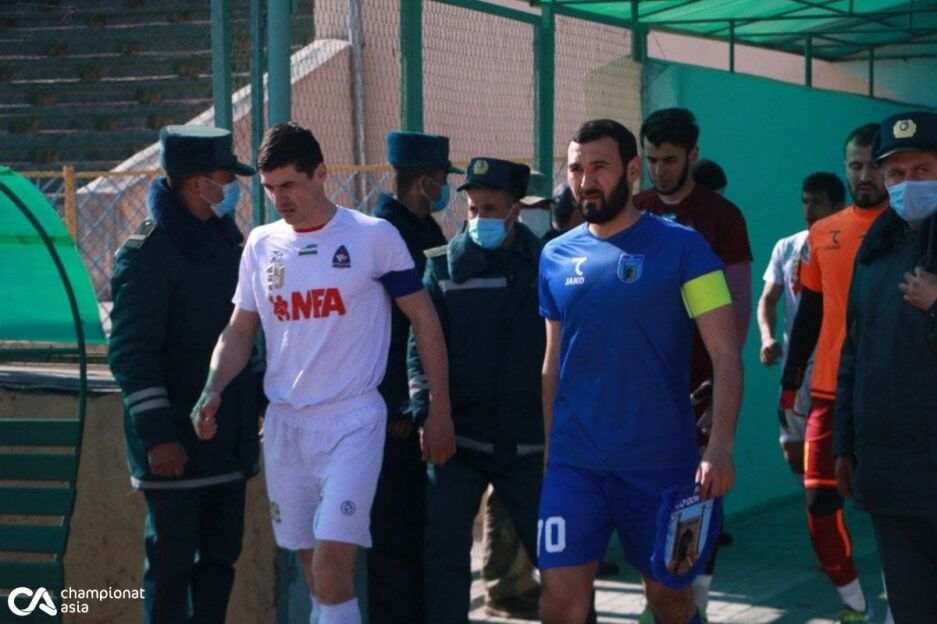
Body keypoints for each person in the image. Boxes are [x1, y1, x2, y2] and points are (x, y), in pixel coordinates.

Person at [191, 122, 456, 624]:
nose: (280, 199)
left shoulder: (372, 236)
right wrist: (213, 388)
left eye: (289, 184)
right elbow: (241, 330)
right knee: (314, 571)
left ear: (320, 174)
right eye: (270, 188)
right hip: (286, 426)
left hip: (352, 422)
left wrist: (438, 407)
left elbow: (424, 318)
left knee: (333, 569)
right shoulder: (261, 244)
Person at [537, 119, 742, 624]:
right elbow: (552, 363)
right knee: (559, 603)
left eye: (599, 167)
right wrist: (550, 453)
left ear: (632, 170)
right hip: (575, 465)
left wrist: (718, 447)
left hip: (660, 466)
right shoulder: (554, 256)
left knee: (670, 603)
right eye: (576, 169)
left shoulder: (686, 249)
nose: (586, 181)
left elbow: (725, 353)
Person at [108, 125, 260, 623]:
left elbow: (244, 335)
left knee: (218, 564)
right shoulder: (148, 254)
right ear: (198, 184)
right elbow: (131, 353)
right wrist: (158, 437)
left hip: (226, 443)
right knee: (172, 571)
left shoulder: (228, 242)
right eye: (226, 178)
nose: (233, 188)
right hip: (175, 448)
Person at [408, 157, 546, 624]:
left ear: (514, 210)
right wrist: (430, 414)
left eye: (491, 209)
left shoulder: (546, 266)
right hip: (458, 443)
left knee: (560, 558)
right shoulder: (443, 268)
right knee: (444, 556)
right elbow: (420, 351)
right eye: (472, 209)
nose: (479, 218)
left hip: (528, 443)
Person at [633, 108, 752, 617]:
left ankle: (694, 605)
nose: (659, 170)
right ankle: (661, 600)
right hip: (641, 394)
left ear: (692, 156)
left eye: (669, 160)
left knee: (699, 499)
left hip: (700, 391)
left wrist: (718, 391)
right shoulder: (633, 210)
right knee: (642, 500)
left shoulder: (722, 217)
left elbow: (737, 313)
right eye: (651, 159)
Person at [782, 123, 888, 623]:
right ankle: (855, 605)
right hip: (827, 393)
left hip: (892, 393)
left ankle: (904, 603)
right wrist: (790, 380)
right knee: (819, 505)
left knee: (898, 511)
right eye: (855, 165)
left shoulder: (916, 228)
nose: (864, 175)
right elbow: (810, 311)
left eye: (874, 165)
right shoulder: (823, 233)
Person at [835, 111, 937, 623]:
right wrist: (844, 445)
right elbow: (853, 352)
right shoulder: (874, 251)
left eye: (923, 170)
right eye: (897, 173)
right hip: (891, 475)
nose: (908, 183)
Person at [367, 130, 461, 624]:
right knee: (395, 535)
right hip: (396, 414)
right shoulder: (385, 233)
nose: (445, 188)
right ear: (425, 181)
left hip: (425, 405)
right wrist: (398, 405)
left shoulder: (425, 230)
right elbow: (381, 330)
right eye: (442, 178)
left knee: (422, 531)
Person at [480, 170, 552, 621]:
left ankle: (520, 582)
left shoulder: (547, 255)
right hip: (500, 406)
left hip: (536, 402)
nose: (536, 215)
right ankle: (503, 587)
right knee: (505, 501)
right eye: (530, 208)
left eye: (542, 208)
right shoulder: (491, 256)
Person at [758, 172, 845, 476]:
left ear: (837, 207)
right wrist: (767, 337)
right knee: (794, 453)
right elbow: (767, 300)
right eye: (805, 202)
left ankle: (829, 497)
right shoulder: (786, 246)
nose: (809, 210)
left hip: (837, 366)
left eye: (817, 202)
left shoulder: (851, 246)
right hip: (795, 367)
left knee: (838, 451)